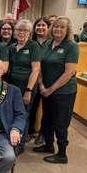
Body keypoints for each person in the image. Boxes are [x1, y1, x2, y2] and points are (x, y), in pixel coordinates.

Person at [33, 17, 79, 164]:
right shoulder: (47, 43)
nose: (58, 29)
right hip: (46, 89)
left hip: (63, 92)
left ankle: (62, 154)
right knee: (47, 119)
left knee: (60, 122)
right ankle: (48, 145)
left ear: (67, 30)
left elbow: (69, 72)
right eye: (56, 27)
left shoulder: (71, 46)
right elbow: (40, 66)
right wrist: (41, 86)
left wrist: (51, 89)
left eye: (62, 27)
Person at [7, 19, 41, 153]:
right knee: (12, 114)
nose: (22, 33)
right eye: (19, 30)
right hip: (12, 87)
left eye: (25, 30)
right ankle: (13, 139)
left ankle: (20, 145)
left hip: (26, 88)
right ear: (15, 32)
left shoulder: (34, 46)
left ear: (30, 32)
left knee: (23, 115)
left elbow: (36, 69)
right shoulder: (12, 47)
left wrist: (28, 90)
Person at [29, 17, 51, 145]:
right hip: (34, 80)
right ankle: (30, 131)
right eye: (38, 25)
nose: (40, 28)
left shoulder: (51, 43)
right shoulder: (31, 42)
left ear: (48, 28)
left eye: (43, 25)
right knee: (33, 107)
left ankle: (43, 134)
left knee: (47, 110)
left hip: (47, 81)